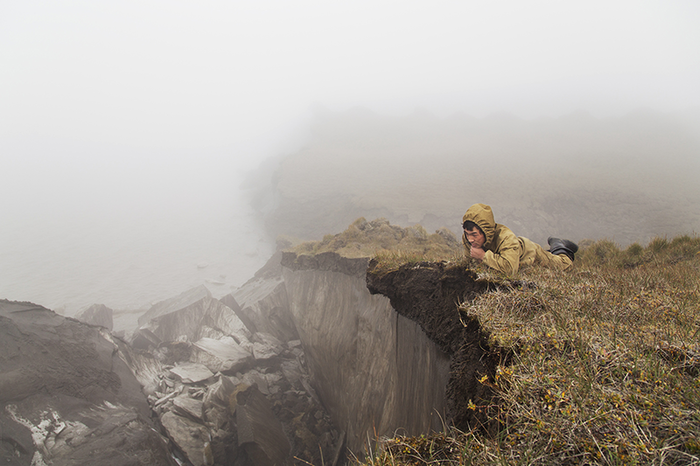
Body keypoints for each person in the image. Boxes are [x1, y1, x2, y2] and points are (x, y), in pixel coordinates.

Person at [462, 203, 578, 275]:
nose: (470, 239)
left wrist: (483, 256)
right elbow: (470, 263)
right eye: (467, 234)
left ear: (485, 231)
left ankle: (559, 245)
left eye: (474, 235)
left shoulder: (506, 237)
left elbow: (510, 270)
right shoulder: (467, 238)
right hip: (513, 253)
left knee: (565, 265)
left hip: (530, 253)